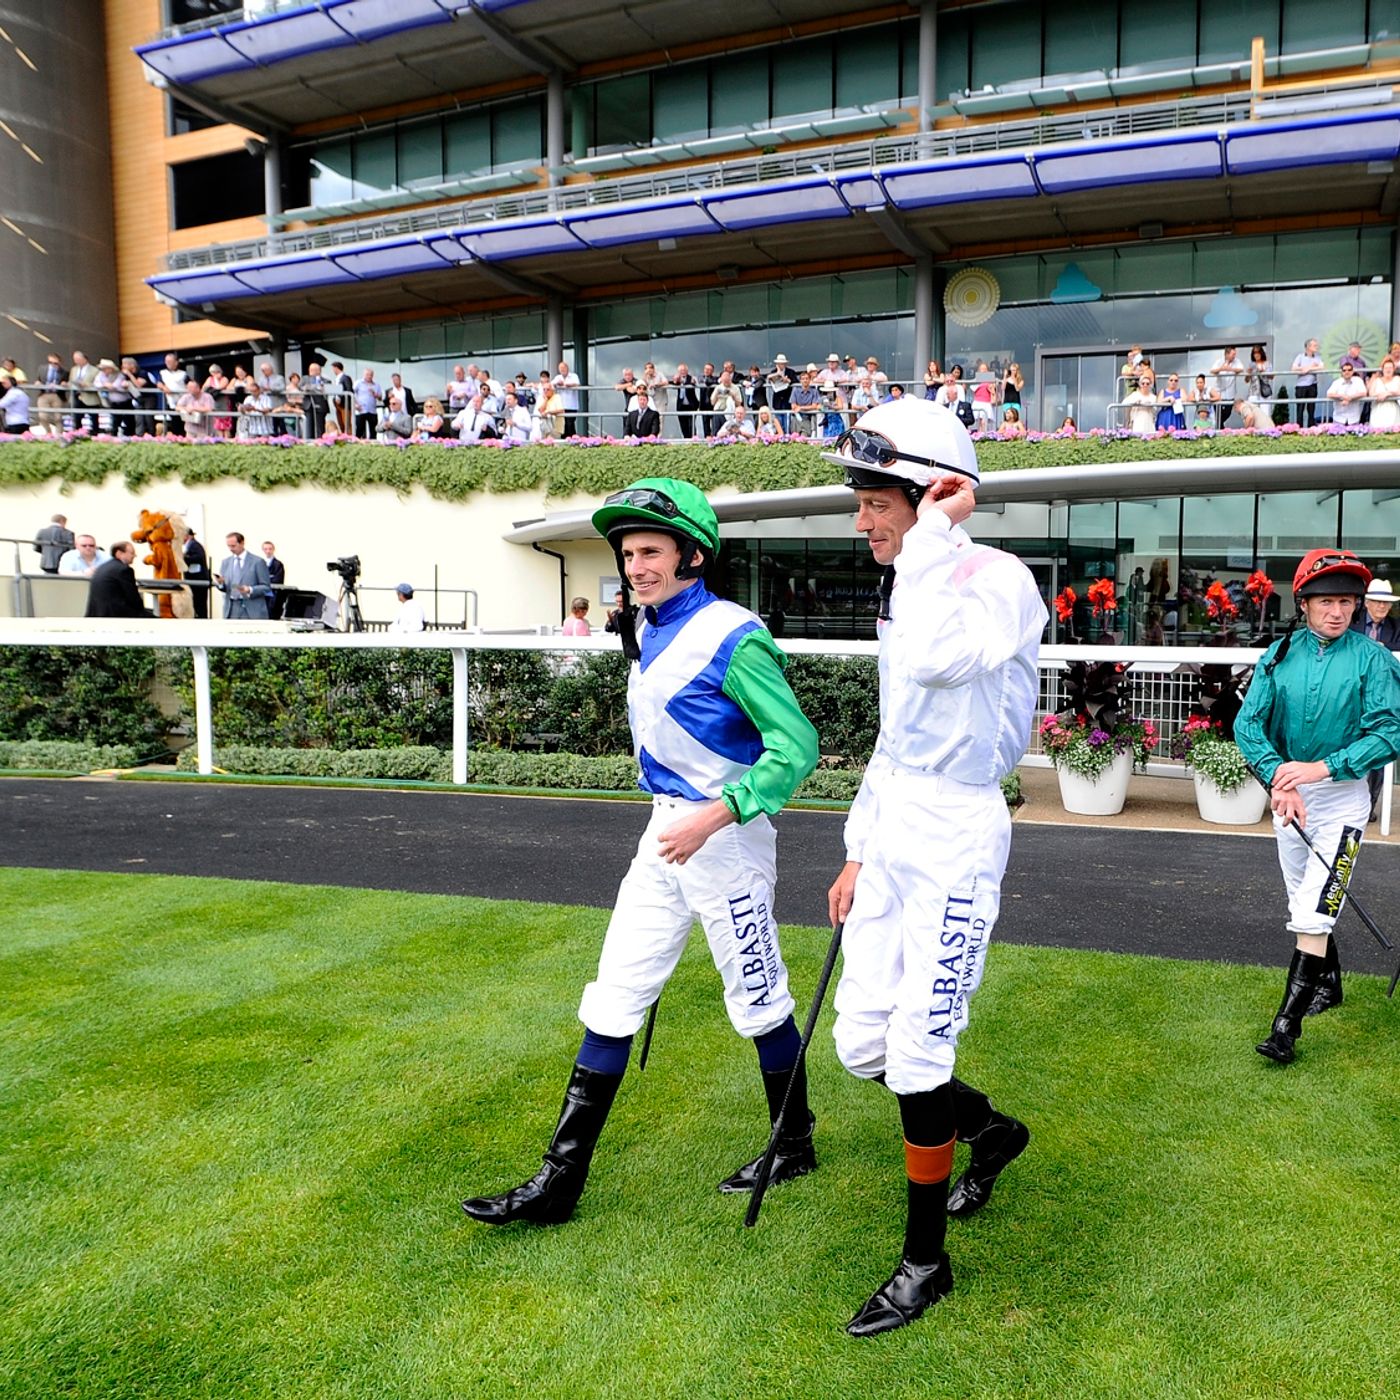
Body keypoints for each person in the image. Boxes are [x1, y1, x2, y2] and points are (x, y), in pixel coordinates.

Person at [461, 477, 820, 1228]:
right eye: (628, 554)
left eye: (650, 551)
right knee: (615, 992)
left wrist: (715, 816)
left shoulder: (734, 634)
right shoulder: (647, 627)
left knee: (758, 998)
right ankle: (560, 1180)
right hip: (661, 836)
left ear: (693, 554)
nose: (635, 566)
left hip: (724, 841)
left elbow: (796, 747)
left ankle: (794, 1142)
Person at [822, 399, 1046, 1337]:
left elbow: (939, 665)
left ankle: (926, 1263)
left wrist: (930, 542)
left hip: (959, 829)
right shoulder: (906, 583)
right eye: (863, 504)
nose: (863, 522)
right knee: (861, 1046)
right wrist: (857, 846)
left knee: (919, 1053)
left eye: (878, 503)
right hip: (898, 824)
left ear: (938, 494)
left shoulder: (998, 578)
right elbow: (894, 732)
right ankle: (990, 1129)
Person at [1236, 548, 1400, 1065]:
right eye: (1326, 601)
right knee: (1302, 902)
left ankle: (1285, 1028)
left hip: (1344, 798)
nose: (1338, 611)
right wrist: (1279, 777)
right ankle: (1328, 983)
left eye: (1347, 601)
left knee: (1315, 909)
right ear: (1303, 602)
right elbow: (1248, 724)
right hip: (1289, 795)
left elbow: (1389, 733)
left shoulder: (1373, 659)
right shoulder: (1278, 654)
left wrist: (1321, 769)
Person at [214, 532, 274, 620]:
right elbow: (224, 588)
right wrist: (221, 584)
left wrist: (250, 589)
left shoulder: (258, 562)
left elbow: (266, 588)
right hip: (231, 609)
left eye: (233, 546)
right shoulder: (226, 562)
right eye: (228, 546)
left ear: (242, 543)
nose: (231, 549)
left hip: (252, 610)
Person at [84, 542, 150, 618]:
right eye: (132, 553)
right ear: (119, 553)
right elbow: (134, 599)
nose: (135, 556)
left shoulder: (102, 567)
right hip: (116, 615)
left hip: (97, 613)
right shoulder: (124, 570)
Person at [1353, 578, 1400, 647]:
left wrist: (1382, 646)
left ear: (1390, 606)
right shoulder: (1352, 621)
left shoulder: (1397, 626)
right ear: (1367, 603)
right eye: (1378, 601)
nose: (1382, 606)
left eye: (1386, 602)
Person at [1292, 339, 1324, 427]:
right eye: (1315, 345)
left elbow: (1321, 367)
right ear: (1308, 347)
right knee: (1300, 408)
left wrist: (1308, 369)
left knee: (1311, 408)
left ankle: (1311, 428)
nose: (1317, 347)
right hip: (1301, 386)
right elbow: (1294, 368)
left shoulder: (1317, 357)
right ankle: (1299, 428)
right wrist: (1311, 367)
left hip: (1312, 385)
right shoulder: (1300, 356)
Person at [183, 529, 209, 619]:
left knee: (199, 605)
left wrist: (184, 558)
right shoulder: (191, 545)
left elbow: (199, 557)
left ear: (187, 536)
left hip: (197, 580)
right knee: (197, 605)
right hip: (195, 579)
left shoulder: (194, 545)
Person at [261, 541, 286, 620]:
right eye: (266, 549)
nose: (268, 551)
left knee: (272, 614)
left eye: (270, 549)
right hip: (261, 595)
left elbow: (278, 580)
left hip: (273, 595)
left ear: (273, 550)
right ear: (263, 550)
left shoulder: (278, 564)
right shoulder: (260, 563)